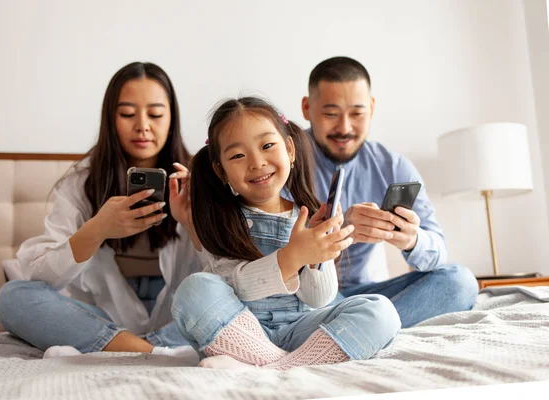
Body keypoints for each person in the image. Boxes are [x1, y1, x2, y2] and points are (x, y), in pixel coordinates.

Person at [168, 97, 401, 370]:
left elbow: (318, 299)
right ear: (221, 171)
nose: (256, 162)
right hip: (240, 331)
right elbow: (235, 284)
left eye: (267, 146)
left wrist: (317, 259)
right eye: (237, 156)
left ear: (290, 150)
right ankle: (279, 363)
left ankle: (274, 368)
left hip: (301, 331)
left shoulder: (305, 216)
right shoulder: (222, 219)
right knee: (194, 289)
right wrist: (292, 256)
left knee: (380, 311)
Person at [0, 61, 200, 361]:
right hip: (102, 320)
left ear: (172, 119)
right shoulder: (82, 183)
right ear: (110, 118)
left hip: (177, 322)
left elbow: (224, 274)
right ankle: (150, 352)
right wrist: (97, 229)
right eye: (127, 114)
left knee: (236, 295)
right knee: (11, 298)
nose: (142, 125)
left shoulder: (196, 181)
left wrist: (195, 225)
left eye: (155, 114)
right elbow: (40, 277)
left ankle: (125, 348)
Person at [300, 56, 479, 328]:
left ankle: (359, 329)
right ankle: (365, 329)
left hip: (367, 296)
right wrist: (341, 229)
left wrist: (411, 240)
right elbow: (271, 255)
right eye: (331, 114)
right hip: (305, 295)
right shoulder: (284, 162)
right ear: (307, 108)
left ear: (371, 108)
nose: (345, 128)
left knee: (460, 281)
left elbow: (438, 250)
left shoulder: (392, 166)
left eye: (357, 113)